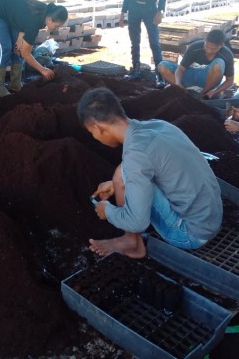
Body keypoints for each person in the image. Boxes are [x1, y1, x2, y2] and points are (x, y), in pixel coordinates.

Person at [77, 87, 222, 258]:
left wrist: (107, 210)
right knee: (123, 173)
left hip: (190, 234)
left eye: (91, 132)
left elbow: (137, 222)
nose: (94, 136)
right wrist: (118, 182)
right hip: (212, 219)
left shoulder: (136, 154)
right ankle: (131, 237)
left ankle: (131, 242)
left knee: (122, 175)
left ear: (97, 127)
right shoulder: (160, 126)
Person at [0, 0, 68, 97]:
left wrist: (20, 38)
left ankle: (15, 84)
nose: (56, 29)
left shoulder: (45, 14)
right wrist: (42, 70)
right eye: (56, 26)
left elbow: (22, 21)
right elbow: (26, 54)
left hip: (13, 15)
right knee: (5, 48)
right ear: (50, 20)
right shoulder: (34, 23)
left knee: (17, 49)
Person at [158, 29, 235, 99]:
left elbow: (229, 81)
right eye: (207, 46)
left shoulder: (227, 55)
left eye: (213, 49)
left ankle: (203, 93)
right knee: (162, 66)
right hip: (190, 74)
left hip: (208, 80)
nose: (209, 50)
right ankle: (183, 91)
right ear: (205, 40)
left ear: (221, 46)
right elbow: (181, 69)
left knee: (219, 63)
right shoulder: (195, 47)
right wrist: (177, 82)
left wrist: (214, 91)